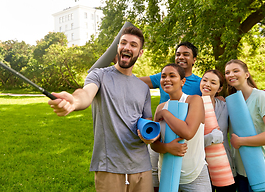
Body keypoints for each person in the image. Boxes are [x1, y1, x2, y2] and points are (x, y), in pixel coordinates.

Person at [48, 26, 158, 192]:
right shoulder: (99, 75)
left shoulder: (143, 88)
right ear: (118, 47)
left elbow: (147, 121)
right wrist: (74, 101)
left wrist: (149, 137)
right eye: (123, 43)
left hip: (142, 167)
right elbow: (85, 94)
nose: (127, 47)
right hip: (109, 167)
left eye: (133, 45)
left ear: (140, 52)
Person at [140, 42, 202, 191]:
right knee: (156, 174)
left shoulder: (200, 83)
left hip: (185, 133)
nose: (181, 57)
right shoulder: (162, 78)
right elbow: (135, 82)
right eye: (178, 54)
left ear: (194, 60)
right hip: (162, 127)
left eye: (186, 54)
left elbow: (213, 93)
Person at [150, 63, 211, 192]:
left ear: (183, 81)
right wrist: (167, 148)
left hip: (194, 176)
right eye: (163, 76)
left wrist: (166, 114)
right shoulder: (160, 108)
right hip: (167, 174)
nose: (166, 79)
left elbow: (188, 132)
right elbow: (154, 144)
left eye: (172, 76)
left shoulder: (194, 100)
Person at [224, 59, 265, 192]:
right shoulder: (232, 101)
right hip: (240, 171)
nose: (230, 75)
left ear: (247, 74)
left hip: (260, 169)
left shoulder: (261, 96)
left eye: (235, 71)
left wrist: (241, 141)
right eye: (227, 72)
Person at [200, 69, 237, 192]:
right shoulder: (191, 106)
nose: (207, 84)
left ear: (219, 89)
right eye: (204, 80)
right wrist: (210, 138)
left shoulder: (226, 106)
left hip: (223, 164)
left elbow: (244, 118)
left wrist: (264, 98)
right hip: (200, 165)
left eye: (213, 82)